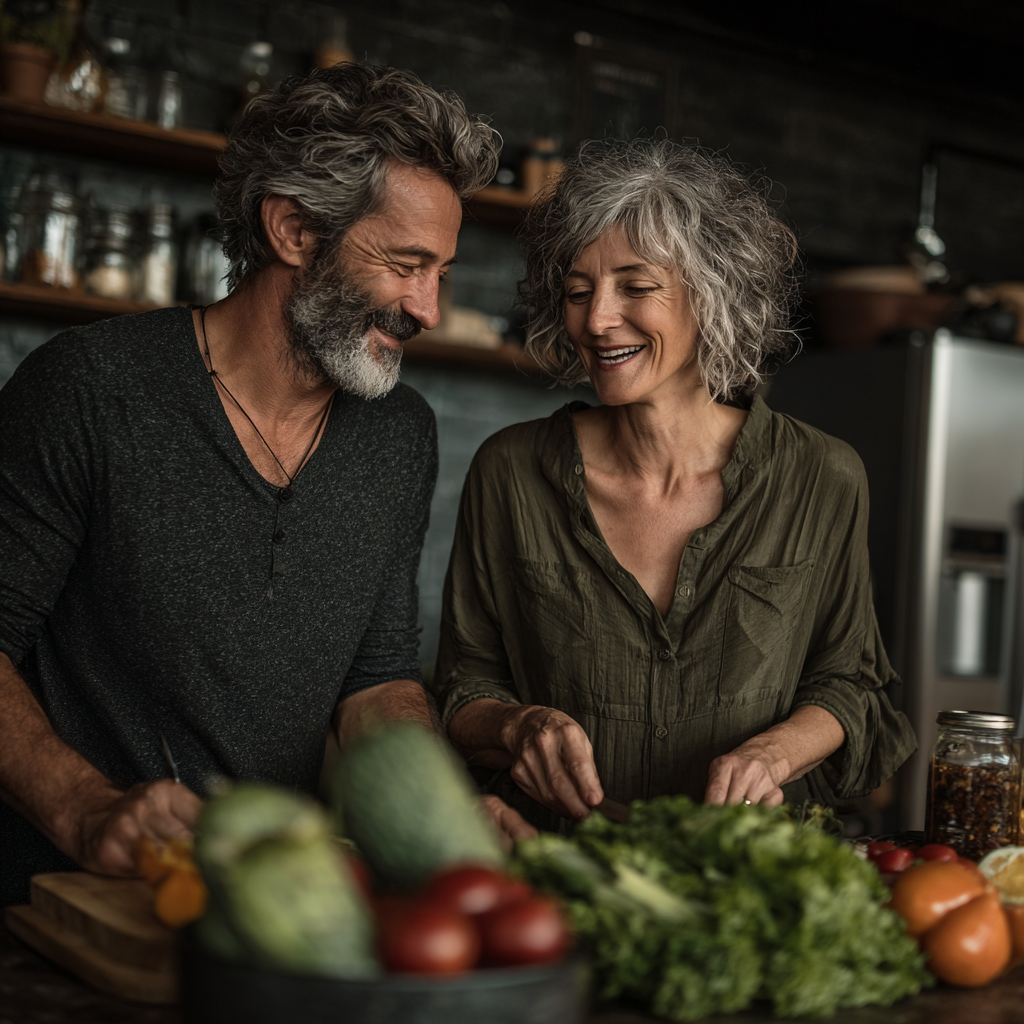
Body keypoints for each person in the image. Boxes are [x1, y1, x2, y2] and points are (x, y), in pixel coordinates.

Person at [0, 62, 533, 907]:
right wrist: (84, 805)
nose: (428, 308)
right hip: (73, 898)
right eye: (406, 263)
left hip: (279, 904)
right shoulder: (89, 389)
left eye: (442, 271)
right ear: (292, 230)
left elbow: (377, 679)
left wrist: (447, 817)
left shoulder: (399, 433)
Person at [433, 138, 917, 833]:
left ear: (712, 294)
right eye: (577, 291)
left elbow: (850, 682)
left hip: (751, 867)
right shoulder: (510, 472)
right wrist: (519, 724)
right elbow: (465, 683)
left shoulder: (821, 476)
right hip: (556, 864)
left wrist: (773, 755)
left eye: (635, 286)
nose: (597, 319)